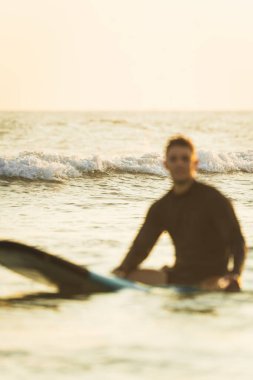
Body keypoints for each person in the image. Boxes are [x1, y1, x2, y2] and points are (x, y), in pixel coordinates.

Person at [113, 136, 246, 291]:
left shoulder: (213, 199)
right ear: (166, 164)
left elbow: (237, 241)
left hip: (213, 277)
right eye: (174, 159)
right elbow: (141, 247)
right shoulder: (160, 207)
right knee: (128, 276)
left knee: (215, 285)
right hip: (179, 275)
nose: (179, 164)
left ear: (195, 164)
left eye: (185, 159)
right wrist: (122, 270)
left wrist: (236, 274)